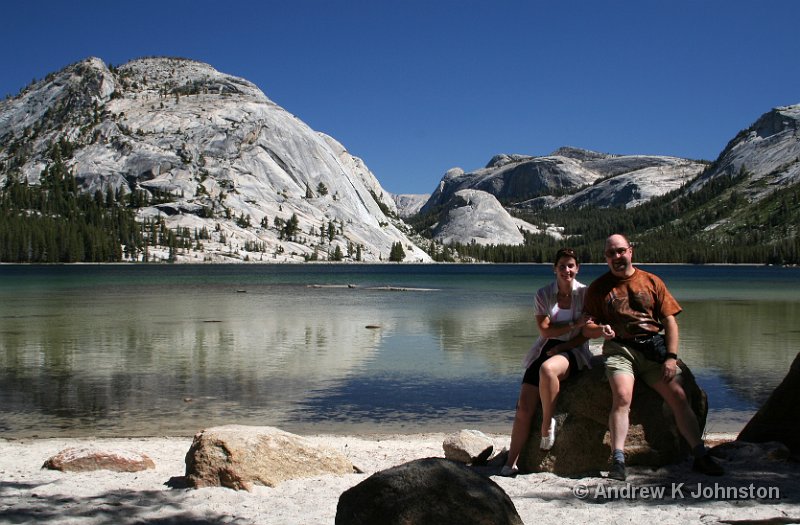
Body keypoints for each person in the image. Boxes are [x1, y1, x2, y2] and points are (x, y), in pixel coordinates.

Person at [582, 234, 724, 481]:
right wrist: (598, 330)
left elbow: (670, 320)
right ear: (605, 258)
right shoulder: (598, 288)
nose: (617, 257)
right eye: (611, 253)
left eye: (620, 251)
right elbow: (586, 327)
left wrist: (671, 357)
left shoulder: (651, 281)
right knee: (622, 396)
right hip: (620, 350)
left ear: (630, 251)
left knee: (679, 396)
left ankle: (700, 455)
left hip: (653, 351)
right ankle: (618, 460)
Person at [501, 248, 592, 476]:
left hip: (574, 350)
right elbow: (544, 330)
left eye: (571, 266)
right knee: (523, 407)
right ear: (555, 269)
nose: (567, 270)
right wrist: (573, 324)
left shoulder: (586, 294)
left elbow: (586, 333)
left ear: (577, 268)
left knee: (548, 370)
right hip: (545, 348)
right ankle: (511, 462)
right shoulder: (543, 294)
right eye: (562, 266)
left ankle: (547, 424)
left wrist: (565, 344)